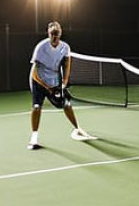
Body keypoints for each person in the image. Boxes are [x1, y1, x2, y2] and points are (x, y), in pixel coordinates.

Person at [27, 21, 95, 150]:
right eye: (52, 34)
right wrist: (48, 88)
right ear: (48, 33)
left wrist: (64, 82)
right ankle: (33, 138)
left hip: (54, 81)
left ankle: (78, 129)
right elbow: (34, 73)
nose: (55, 36)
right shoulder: (41, 47)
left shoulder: (65, 47)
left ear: (60, 33)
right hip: (38, 81)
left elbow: (67, 64)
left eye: (57, 34)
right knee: (36, 107)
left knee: (66, 104)